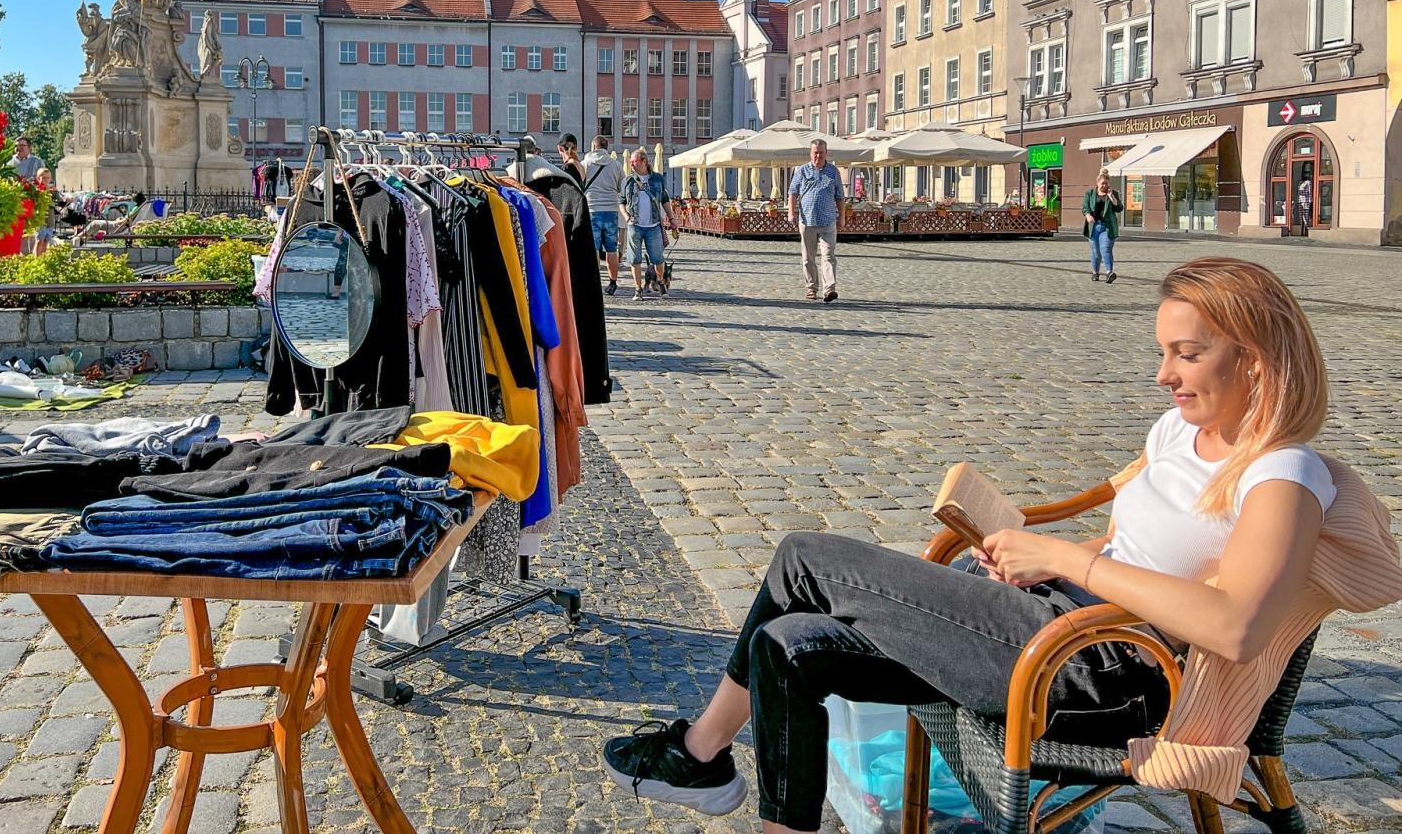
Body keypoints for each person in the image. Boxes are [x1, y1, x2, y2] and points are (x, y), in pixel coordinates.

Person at [604, 257, 1400, 834]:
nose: (1163, 374)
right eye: (1164, 351)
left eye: (1186, 354)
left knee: (805, 558)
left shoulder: (1283, 477)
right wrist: (1027, 555)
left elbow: (1237, 626)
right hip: (1055, 622)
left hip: (1106, 674)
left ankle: (699, 753)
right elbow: (1141, 545)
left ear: (1254, 360)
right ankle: (752, 804)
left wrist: (1064, 558)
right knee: (790, 644)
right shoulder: (1180, 431)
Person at [787, 138, 844, 302]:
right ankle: (811, 288)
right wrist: (791, 213)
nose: (818, 156)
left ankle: (829, 290)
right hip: (807, 220)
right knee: (808, 257)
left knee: (828, 256)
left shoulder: (833, 171)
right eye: (815, 152)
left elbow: (840, 196)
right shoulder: (802, 170)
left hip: (828, 221)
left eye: (821, 152)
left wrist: (842, 217)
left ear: (826, 153)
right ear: (810, 153)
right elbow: (793, 193)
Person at [620, 146, 676, 301]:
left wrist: (672, 218)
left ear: (644, 161)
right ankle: (638, 289)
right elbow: (621, 201)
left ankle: (660, 281)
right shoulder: (628, 181)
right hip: (634, 225)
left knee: (658, 258)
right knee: (634, 259)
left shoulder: (657, 179)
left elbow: (664, 199)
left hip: (653, 225)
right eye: (630, 162)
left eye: (634, 161)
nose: (631, 165)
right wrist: (626, 217)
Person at [582, 135, 625, 296]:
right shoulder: (616, 165)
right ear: (606, 148)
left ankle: (594, 282)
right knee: (611, 249)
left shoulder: (585, 164)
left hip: (592, 209)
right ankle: (613, 282)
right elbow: (623, 187)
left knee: (592, 249)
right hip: (611, 210)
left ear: (593, 147)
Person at [1083, 168, 1125, 283]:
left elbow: (1119, 208)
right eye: (1102, 184)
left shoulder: (1113, 193)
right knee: (1096, 252)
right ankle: (1095, 272)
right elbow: (1085, 207)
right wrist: (1087, 215)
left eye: (1106, 184)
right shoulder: (1090, 194)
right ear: (1097, 183)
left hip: (1107, 227)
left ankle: (1109, 272)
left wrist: (1112, 198)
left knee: (1106, 249)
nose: (1104, 186)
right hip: (1093, 227)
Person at [32, 167, 61, 256]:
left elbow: (58, 201)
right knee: (39, 239)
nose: (46, 180)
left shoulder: (52, 190)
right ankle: (36, 259)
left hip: (50, 219)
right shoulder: (35, 189)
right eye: (43, 177)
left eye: (48, 178)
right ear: (38, 178)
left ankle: (42, 259)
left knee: (46, 240)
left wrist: (55, 193)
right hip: (40, 219)